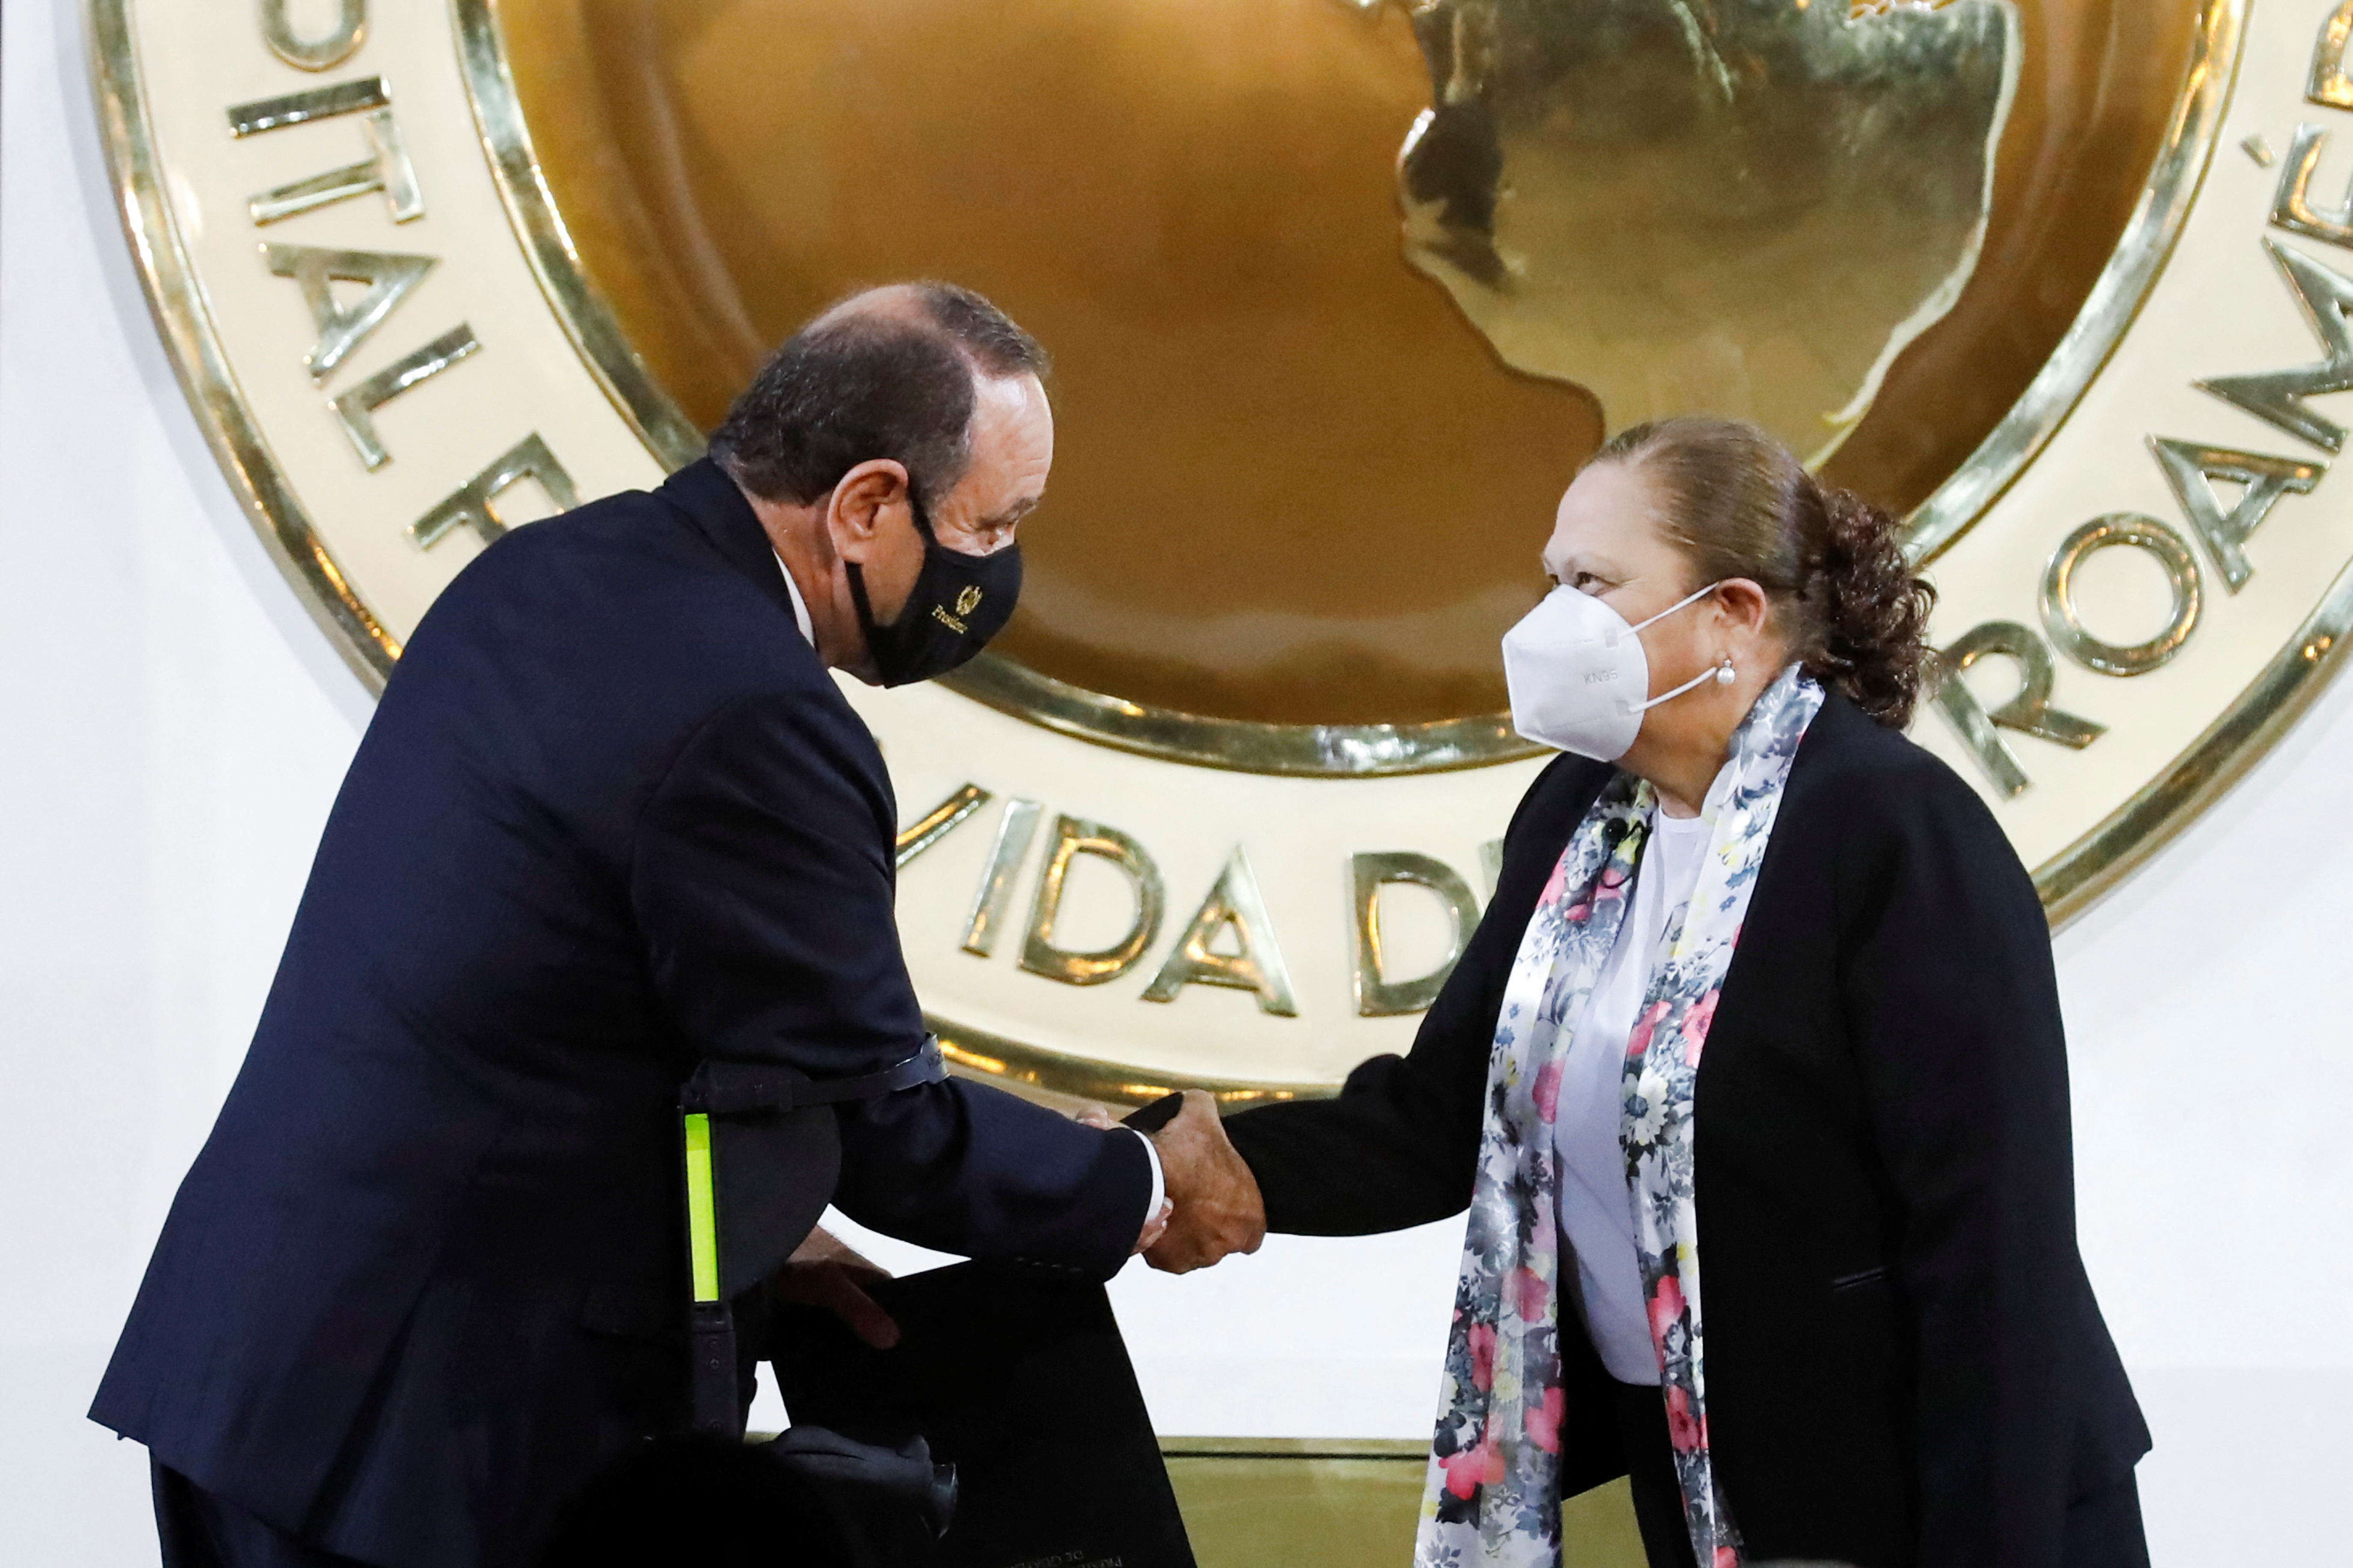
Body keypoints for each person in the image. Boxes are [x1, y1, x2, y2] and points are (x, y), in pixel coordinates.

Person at [90, 282, 1232, 1568]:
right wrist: (1139, 1180)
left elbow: (571, 996)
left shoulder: (561, 569)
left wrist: (763, 1222)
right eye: (993, 523)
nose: (995, 567)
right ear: (865, 505)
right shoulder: (754, 713)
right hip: (424, 1427)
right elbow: (884, 1124)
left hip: (271, 1361)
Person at [1143, 416, 2153, 1568]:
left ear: (1731, 613)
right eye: (1551, 579)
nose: (1550, 619)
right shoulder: (1576, 817)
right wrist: (1148, 1163)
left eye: (1593, 581)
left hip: (1929, 1498)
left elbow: (1990, 1249)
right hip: (1709, 1486)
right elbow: (1438, 1120)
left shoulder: (1889, 832)